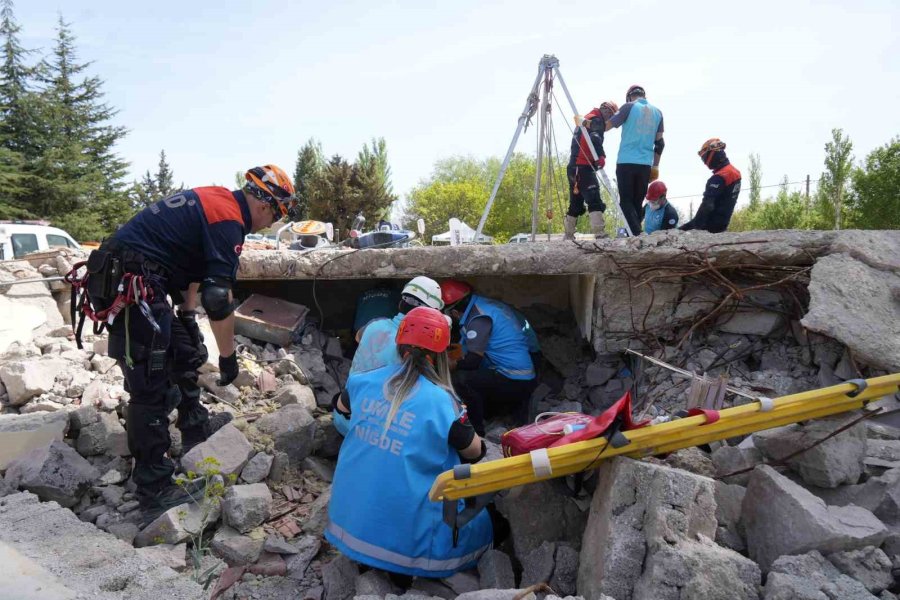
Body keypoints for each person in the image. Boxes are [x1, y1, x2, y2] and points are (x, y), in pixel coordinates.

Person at [75, 164, 297, 526]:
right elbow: (219, 297)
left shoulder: (219, 204)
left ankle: (194, 426)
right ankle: (153, 488)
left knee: (185, 348)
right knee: (151, 385)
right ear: (264, 203)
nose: (273, 223)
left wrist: (187, 317)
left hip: (143, 276)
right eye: (277, 213)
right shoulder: (228, 220)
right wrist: (228, 360)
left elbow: (191, 269)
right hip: (132, 283)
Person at [327, 307, 492, 579]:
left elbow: (341, 407)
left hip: (346, 528)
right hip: (406, 548)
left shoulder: (361, 382)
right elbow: (475, 452)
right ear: (438, 355)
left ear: (399, 345)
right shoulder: (443, 403)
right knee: (485, 521)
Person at [332, 276, 444, 435]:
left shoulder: (375, 324)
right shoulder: (413, 349)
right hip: (376, 429)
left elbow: (358, 336)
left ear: (400, 303)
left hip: (344, 417)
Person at [441, 280, 537, 436]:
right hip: (523, 373)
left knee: (461, 380)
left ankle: (476, 432)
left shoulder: (479, 318)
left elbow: (473, 361)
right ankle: (492, 414)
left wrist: (449, 365)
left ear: (452, 310)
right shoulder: (483, 306)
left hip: (515, 380)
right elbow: (470, 344)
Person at [606, 85, 665, 235]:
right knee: (637, 202)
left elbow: (607, 127)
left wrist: (589, 124)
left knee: (626, 201)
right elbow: (660, 144)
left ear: (629, 96)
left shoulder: (628, 107)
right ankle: (632, 235)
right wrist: (655, 166)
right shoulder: (658, 112)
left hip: (626, 161)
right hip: (645, 164)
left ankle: (637, 235)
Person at [565, 101, 619, 240]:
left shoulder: (587, 118)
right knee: (594, 200)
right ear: (607, 111)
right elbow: (595, 138)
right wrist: (601, 155)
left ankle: (568, 234)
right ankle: (599, 234)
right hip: (584, 167)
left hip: (573, 167)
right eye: (610, 116)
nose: (609, 120)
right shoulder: (596, 120)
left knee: (576, 204)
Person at [680, 138, 742, 233]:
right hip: (722, 225)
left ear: (712, 154)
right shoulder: (735, 172)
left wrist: (690, 226)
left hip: (711, 227)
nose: (705, 163)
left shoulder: (719, 177)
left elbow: (707, 206)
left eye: (704, 158)